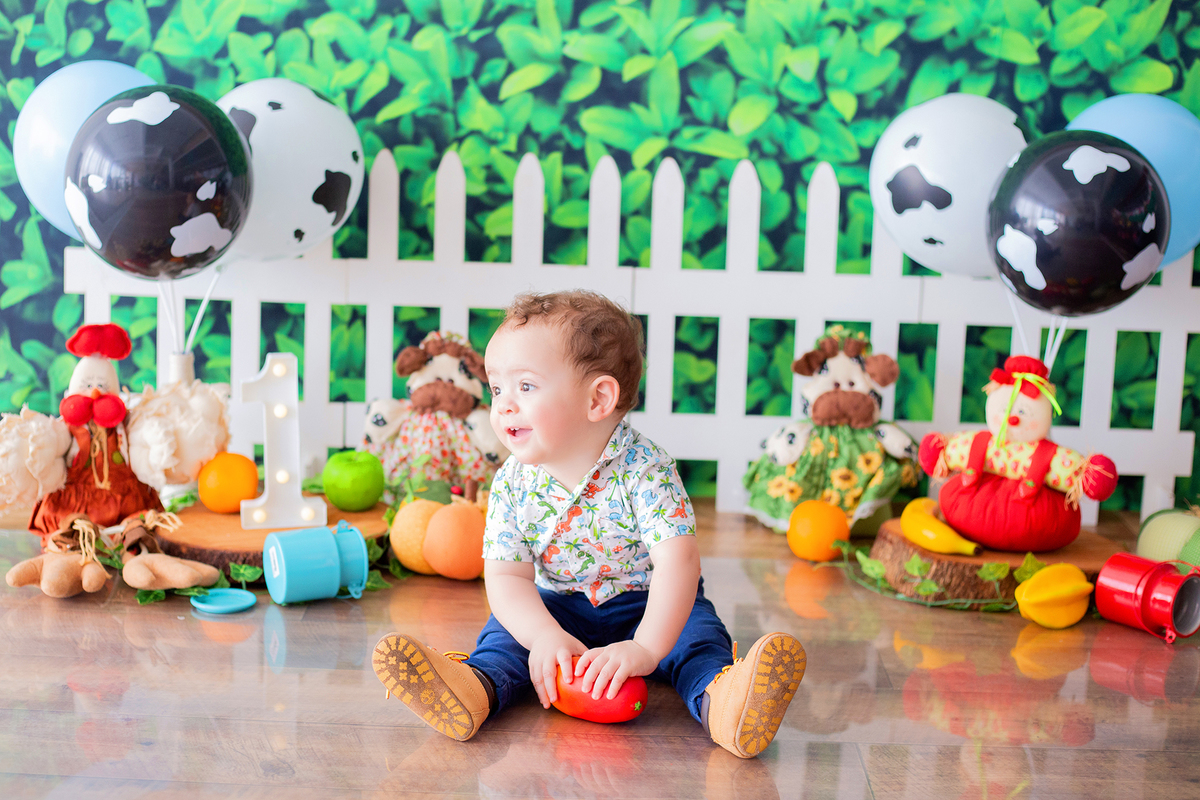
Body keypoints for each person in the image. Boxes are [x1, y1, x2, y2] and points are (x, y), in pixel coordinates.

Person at [372, 290, 806, 759]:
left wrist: (645, 647)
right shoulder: (512, 482)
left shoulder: (647, 469)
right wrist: (543, 636)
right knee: (503, 641)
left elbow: (677, 564)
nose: (503, 406)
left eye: (526, 387)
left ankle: (728, 701)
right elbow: (506, 577)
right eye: (497, 389)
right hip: (554, 604)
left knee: (697, 640)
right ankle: (472, 689)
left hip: (650, 603)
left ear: (598, 398)